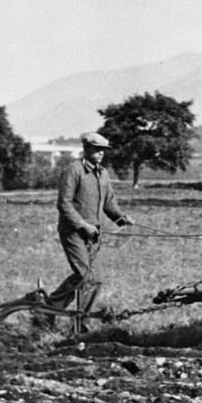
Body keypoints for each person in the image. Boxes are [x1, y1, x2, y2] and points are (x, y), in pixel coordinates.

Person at [48, 132, 133, 319]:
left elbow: (109, 203)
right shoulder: (74, 170)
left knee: (92, 278)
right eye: (97, 149)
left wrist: (121, 218)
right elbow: (64, 204)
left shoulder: (103, 173)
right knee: (84, 275)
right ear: (86, 149)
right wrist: (83, 225)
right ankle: (53, 308)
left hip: (94, 234)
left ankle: (77, 319)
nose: (101, 153)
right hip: (73, 232)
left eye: (103, 150)